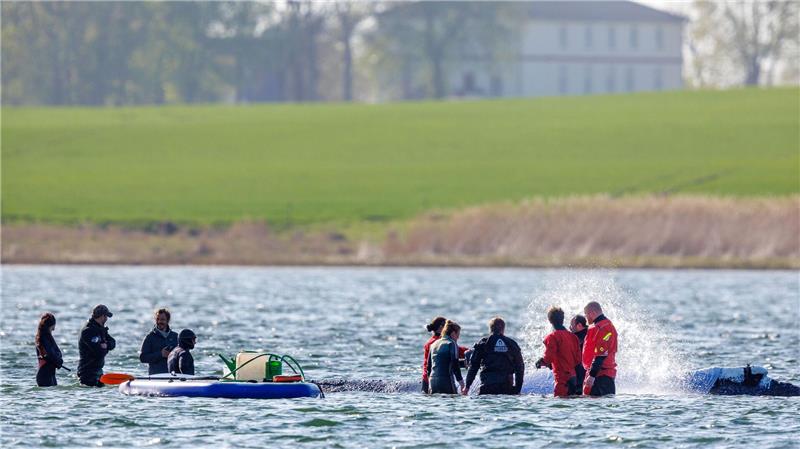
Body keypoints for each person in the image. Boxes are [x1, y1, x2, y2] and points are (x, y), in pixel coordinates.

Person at [464, 316, 525, 395]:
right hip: (506, 388)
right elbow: (520, 367)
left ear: (490, 329)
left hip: (487, 387)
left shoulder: (483, 343)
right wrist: (517, 389)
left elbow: (474, 366)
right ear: (503, 329)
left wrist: (467, 386)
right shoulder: (511, 344)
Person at [535, 307, 581, 397]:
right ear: (563, 319)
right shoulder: (573, 337)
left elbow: (548, 358)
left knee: (559, 407)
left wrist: (540, 362)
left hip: (562, 380)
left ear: (550, 321)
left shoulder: (552, 337)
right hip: (573, 378)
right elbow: (578, 359)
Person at [422, 316, 468, 393]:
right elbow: (454, 363)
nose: (458, 337)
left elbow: (432, 365)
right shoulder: (450, 343)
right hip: (444, 380)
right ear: (441, 328)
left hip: (429, 379)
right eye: (458, 334)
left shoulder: (432, 344)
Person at [582, 302, 618, 397]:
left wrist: (592, 376)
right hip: (597, 374)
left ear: (593, 313)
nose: (586, 318)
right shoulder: (597, 326)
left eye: (586, 314)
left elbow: (601, 354)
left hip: (602, 376)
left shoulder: (604, 327)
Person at [77, 304, 116, 386]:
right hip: (87, 373)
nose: (106, 319)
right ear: (102, 316)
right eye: (106, 316)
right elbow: (99, 352)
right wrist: (105, 347)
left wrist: (106, 345)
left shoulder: (100, 329)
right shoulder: (88, 331)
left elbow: (113, 342)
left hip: (98, 371)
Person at [139, 308, 179, 374]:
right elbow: (142, 358)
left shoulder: (175, 336)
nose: (159, 322)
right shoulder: (149, 337)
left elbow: (181, 356)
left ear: (167, 320)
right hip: (156, 377)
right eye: (157, 319)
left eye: (162, 319)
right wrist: (161, 354)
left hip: (173, 376)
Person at [35, 313, 64, 387]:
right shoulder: (44, 338)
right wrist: (59, 361)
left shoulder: (44, 336)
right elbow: (50, 355)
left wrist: (58, 361)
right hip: (45, 376)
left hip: (49, 374)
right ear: (52, 325)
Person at [570, 314, 588, 391]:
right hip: (591, 376)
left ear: (579, 325)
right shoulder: (591, 333)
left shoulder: (576, 338)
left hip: (580, 377)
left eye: (571, 325)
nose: (570, 328)